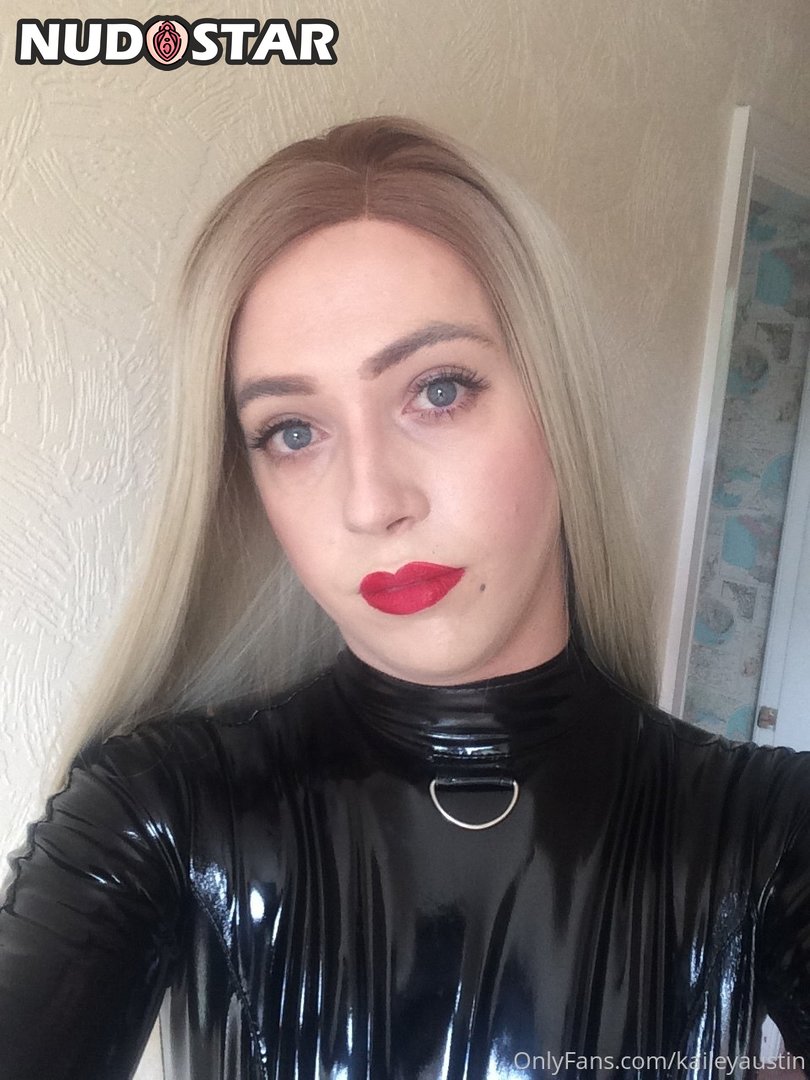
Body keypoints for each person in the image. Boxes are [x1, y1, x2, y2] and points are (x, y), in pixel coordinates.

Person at [0, 116, 808, 1080]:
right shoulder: (154, 808)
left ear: (557, 400)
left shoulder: (771, 833)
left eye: (439, 390)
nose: (372, 502)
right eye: (293, 431)